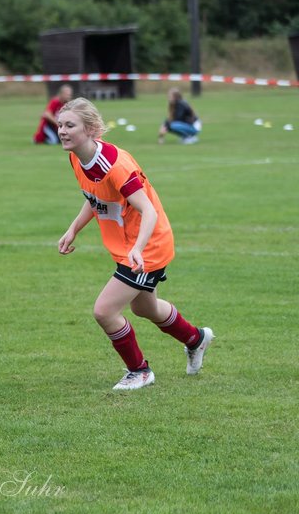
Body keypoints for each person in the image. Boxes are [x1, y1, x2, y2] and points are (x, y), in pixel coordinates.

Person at [54, 97, 214, 390]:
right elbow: (96, 197)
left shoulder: (115, 165)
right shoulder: (77, 157)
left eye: (70, 125)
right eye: (60, 125)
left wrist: (138, 248)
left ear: (91, 130)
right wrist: (73, 228)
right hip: (131, 246)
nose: (62, 131)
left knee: (104, 311)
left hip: (147, 246)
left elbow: (148, 210)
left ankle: (140, 371)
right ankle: (196, 338)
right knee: (145, 309)